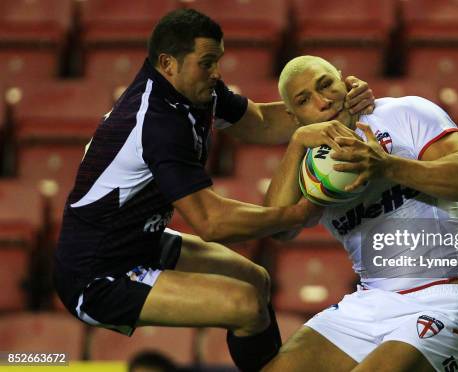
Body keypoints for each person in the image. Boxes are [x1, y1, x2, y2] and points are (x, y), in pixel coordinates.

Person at [53, 9, 374, 372]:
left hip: (138, 240)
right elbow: (212, 223)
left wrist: (339, 102)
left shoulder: (191, 91)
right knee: (245, 305)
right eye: (207, 63)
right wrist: (297, 214)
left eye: (217, 61)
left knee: (256, 279)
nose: (217, 73)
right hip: (96, 274)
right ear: (168, 63)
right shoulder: (158, 123)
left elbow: (261, 122)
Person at [262, 55, 458, 372]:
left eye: (326, 84)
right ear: (294, 115)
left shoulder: (402, 112)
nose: (322, 100)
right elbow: (279, 228)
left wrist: (387, 166)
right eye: (304, 100)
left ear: (342, 79)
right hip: (369, 302)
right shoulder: (309, 166)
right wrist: (298, 142)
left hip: (444, 297)